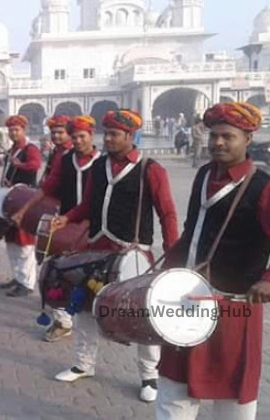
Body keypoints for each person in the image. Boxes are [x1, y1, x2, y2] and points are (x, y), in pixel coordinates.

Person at [51, 109, 179, 402]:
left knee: (140, 315)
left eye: (113, 134)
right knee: (82, 309)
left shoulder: (151, 169)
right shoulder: (99, 166)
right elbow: (88, 204)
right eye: (105, 133)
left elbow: (167, 212)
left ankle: (149, 376)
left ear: (130, 136)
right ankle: (83, 364)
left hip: (133, 253)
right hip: (96, 250)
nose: (107, 139)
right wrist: (67, 218)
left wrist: (171, 251)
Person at [156, 102, 270, 420]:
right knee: (172, 385)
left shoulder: (263, 187)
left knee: (232, 396)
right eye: (213, 136)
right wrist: (166, 270)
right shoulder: (204, 174)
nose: (217, 142)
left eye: (227, 136)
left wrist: (268, 279)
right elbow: (193, 230)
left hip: (233, 306)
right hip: (186, 300)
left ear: (248, 138)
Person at [12, 115, 102, 342]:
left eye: (81, 136)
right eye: (74, 136)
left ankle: (93, 317)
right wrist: (25, 210)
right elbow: (48, 187)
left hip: (96, 226)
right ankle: (62, 321)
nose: (77, 140)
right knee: (57, 272)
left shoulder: (103, 161)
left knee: (93, 275)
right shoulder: (65, 159)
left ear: (91, 135)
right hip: (67, 222)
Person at [0, 115, 42, 298]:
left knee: (24, 242)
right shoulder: (14, 149)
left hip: (24, 199)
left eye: (16, 130)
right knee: (11, 240)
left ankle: (27, 282)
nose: (13, 133)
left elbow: (36, 164)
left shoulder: (30, 148)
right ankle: (18, 277)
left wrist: (20, 164)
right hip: (11, 197)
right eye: (10, 130)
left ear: (24, 130)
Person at [41, 115, 73, 183]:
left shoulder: (73, 152)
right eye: (53, 133)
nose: (56, 135)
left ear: (69, 134)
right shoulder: (55, 151)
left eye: (60, 133)